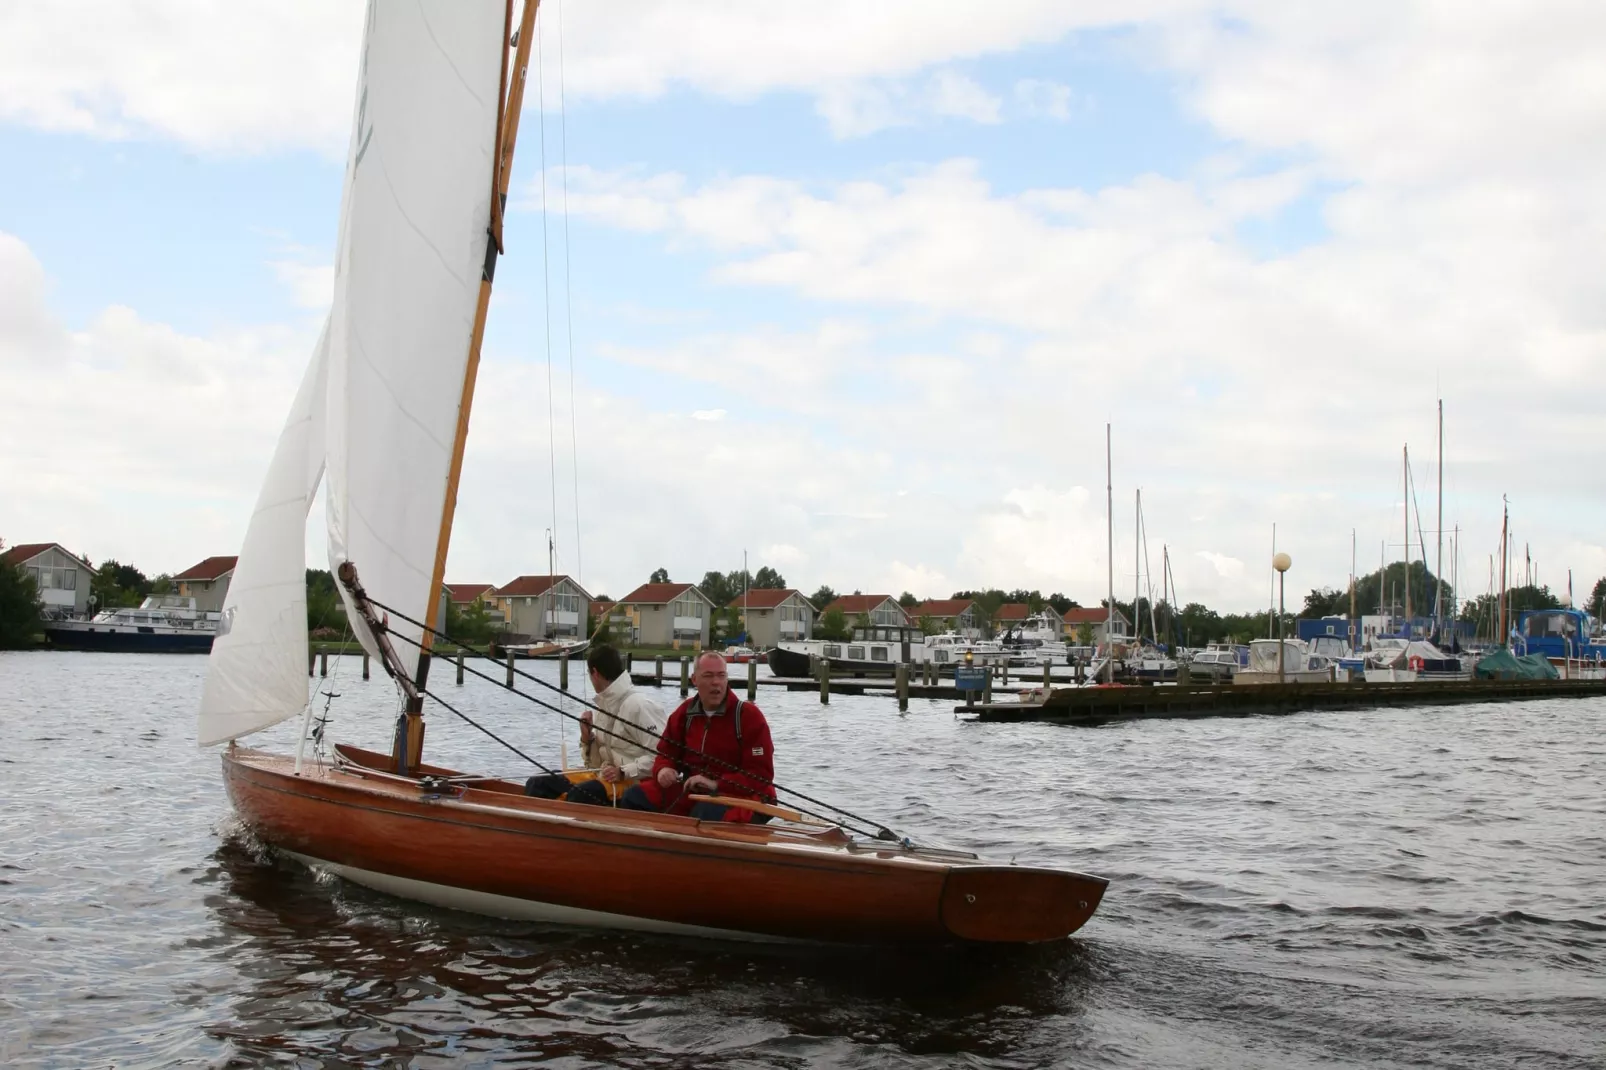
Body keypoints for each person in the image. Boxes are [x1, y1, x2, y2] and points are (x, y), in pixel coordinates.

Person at [618, 649, 776, 823]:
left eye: (721, 676)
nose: (716, 682)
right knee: (634, 797)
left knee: (704, 814)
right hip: (694, 792)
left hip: (744, 796)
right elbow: (666, 754)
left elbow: (761, 775)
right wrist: (664, 770)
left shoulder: (748, 716)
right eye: (708, 676)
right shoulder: (684, 714)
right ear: (694, 680)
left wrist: (716, 784)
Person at [524, 644, 665, 805]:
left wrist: (623, 772)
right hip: (603, 777)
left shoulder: (640, 705)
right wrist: (587, 738)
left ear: (595, 673)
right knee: (538, 783)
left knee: (581, 794)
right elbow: (594, 765)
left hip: (634, 783)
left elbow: (663, 757)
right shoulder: (601, 707)